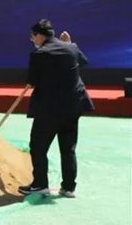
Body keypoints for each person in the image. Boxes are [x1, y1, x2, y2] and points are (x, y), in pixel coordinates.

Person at [19, 19, 94, 198]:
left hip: (49, 109)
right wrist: (70, 44)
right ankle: (69, 187)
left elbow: (32, 81)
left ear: (39, 36)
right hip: (73, 107)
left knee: (38, 147)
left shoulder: (38, 54)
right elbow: (83, 62)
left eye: (33, 37)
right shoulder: (71, 48)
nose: (33, 40)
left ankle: (40, 184)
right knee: (68, 149)